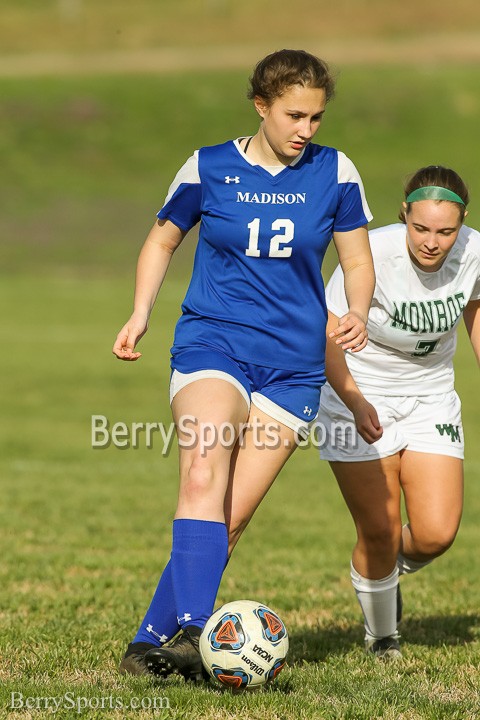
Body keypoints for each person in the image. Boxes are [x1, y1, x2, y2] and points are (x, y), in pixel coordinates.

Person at [113, 49, 375, 681]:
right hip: (214, 345)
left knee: (225, 524)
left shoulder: (335, 172)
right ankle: (200, 636)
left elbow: (357, 262)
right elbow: (162, 239)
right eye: (293, 115)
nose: (306, 130)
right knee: (203, 473)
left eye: (315, 117)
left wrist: (357, 310)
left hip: (293, 367)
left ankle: (149, 643)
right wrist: (141, 311)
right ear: (261, 106)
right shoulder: (209, 166)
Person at [317, 165, 480, 659]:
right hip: (357, 392)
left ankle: (382, 571)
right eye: (422, 228)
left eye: (446, 231)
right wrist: (355, 401)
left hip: (431, 395)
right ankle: (382, 637)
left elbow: (476, 311)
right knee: (380, 529)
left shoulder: (475, 251)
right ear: (404, 215)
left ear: (463, 222)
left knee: (435, 533)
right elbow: (324, 336)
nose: (432, 242)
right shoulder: (370, 252)